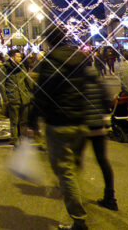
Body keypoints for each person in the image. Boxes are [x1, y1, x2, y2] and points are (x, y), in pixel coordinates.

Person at [32, 27, 89, 230]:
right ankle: (77, 199)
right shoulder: (81, 58)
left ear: (49, 41)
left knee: (65, 170)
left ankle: (78, 220)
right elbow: (90, 85)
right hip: (80, 120)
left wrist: (31, 120)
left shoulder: (50, 62)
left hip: (59, 122)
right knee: (73, 167)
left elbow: (42, 93)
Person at [78, 64, 118, 211]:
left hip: (83, 128)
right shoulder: (100, 83)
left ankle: (74, 194)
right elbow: (108, 102)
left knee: (76, 161)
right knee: (103, 161)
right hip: (99, 128)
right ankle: (110, 197)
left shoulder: (79, 84)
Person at [0, 49, 31, 146]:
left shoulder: (22, 67)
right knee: (14, 120)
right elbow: (1, 84)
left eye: (20, 57)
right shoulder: (4, 68)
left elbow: (27, 80)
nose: (20, 58)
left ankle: (22, 138)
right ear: (12, 57)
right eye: (17, 56)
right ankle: (14, 138)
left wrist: (31, 93)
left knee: (23, 120)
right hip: (13, 97)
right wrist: (5, 98)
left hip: (24, 97)